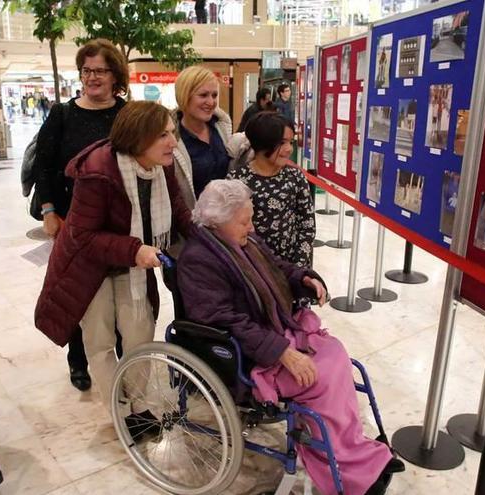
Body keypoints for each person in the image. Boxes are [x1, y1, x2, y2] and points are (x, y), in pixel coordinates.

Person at [178, 180, 401, 495]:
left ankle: (358, 454)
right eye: (245, 221)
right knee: (319, 379)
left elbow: (278, 268)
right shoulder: (199, 259)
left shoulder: (243, 241)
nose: (252, 226)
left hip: (273, 332)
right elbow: (222, 320)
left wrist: (304, 278)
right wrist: (282, 351)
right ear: (218, 220)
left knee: (335, 355)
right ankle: (345, 472)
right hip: (249, 354)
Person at [34, 101, 193, 433]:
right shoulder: (98, 170)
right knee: (100, 341)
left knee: (140, 334)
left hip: (132, 263)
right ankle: (120, 413)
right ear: (137, 138)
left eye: (172, 132)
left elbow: (178, 209)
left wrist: (211, 241)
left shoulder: (161, 167)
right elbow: (82, 236)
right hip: (89, 267)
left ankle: (140, 406)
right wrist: (135, 249)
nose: (172, 142)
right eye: (163, 134)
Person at [32, 38, 129, 391]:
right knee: (78, 290)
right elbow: (43, 167)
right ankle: (79, 360)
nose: (92, 77)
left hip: (118, 220)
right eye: (86, 70)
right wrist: (48, 211)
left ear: (114, 74)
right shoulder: (62, 114)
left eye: (100, 70)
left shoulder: (125, 115)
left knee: (117, 293)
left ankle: (118, 353)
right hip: (73, 221)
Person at [228, 112, 314, 267]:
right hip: (253, 268)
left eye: (291, 142)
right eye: (282, 142)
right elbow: (230, 229)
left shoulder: (295, 177)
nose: (289, 149)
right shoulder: (237, 180)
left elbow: (307, 225)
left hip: (292, 265)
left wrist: (299, 266)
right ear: (263, 142)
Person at [172, 65, 236, 209]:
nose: (211, 102)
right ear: (184, 96)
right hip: (191, 223)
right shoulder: (172, 139)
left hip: (225, 219)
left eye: (214, 95)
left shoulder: (221, 128)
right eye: (203, 95)